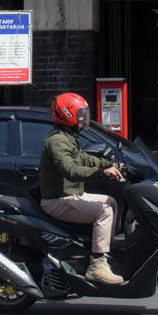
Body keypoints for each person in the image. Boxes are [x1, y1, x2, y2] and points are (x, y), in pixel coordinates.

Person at [39, 92, 126, 286]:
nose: (84, 119)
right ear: (67, 115)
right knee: (103, 211)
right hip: (57, 200)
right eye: (80, 115)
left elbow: (85, 159)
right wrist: (102, 173)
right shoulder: (57, 141)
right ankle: (97, 266)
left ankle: (103, 252)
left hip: (71, 196)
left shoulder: (67, 137)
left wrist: (110, 165)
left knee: (111, 202)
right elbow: (71, 170)